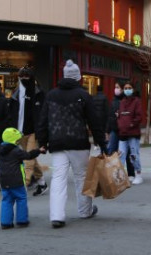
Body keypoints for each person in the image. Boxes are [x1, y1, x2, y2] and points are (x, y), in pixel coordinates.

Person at [36, 60, 107, 229]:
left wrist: (42, 142)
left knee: (58, 178)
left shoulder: (51, 95)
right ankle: (85, 211)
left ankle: (57, 216)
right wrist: (101, 143)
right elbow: (94, 121)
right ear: (78, 78)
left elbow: (43, 120)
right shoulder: (83, 95)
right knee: (81, 177)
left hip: (57, 142)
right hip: (78, 142)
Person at [7, 67, 47, 196]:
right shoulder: (16, 93)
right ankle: (41, 182)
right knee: (31, 157)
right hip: (20, 132)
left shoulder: (39, 93)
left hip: (34, 132)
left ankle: (22, 188)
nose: (24, 79)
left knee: (27, 161)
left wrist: (43, 133)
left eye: (26, 77)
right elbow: (12, 113)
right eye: (21, 77)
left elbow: (43, 114)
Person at [0, 127, 44, 229]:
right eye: (18, 140)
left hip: (4, 181)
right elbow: (28, 155)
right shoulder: (16, 151)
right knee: (21, 198)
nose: (19, 142)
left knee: (6, 200)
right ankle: (22, 220)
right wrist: (38, 150)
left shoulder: (0, 151)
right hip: (16, 180)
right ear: (14, 140)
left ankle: (6, 223)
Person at [117, 81, 144, 184]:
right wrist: (120, 124)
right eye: (125, 88)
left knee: (134, 155)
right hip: (123, 133)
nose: (127, 89)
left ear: (132, 89)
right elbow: (119, 115)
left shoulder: (137, 101)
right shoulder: (122, 102)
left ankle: (138, 174)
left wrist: (131, 124)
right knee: (121, 156)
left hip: (133, 133)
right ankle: (121, 176)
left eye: (129, 88)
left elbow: (139, 116)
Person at [107, 82, 135, 178]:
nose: (116, 89)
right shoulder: (114, 100)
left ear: (123, 89)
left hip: (125, 130)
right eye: (115, 87)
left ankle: (131, 174)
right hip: (114, 129)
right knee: (111, 150)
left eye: (118, 87)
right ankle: (112, 173)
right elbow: (110, 116)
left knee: (127, 153)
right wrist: (107, 131)